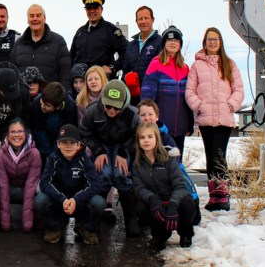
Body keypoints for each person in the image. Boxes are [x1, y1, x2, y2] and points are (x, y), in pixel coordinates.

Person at [186, 27, 244, 212]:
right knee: (210, 157)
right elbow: (190, 91)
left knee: (220, 156)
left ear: (220, 42)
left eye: (216, 39)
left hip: (224, 119)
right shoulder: (197, 66)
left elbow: (239, 90)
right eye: (210, 39)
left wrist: (230, 105)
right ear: (205, 42)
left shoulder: (229, 64)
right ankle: (214, 196)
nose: (212, 42)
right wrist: (199, 106)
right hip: (205, 119)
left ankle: (223, 195)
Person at [80, 79, 141, 236]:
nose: (111, 110)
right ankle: (95, 220)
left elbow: (136, 135)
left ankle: (131, 219)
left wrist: (123, 151)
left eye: (116, 107)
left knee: (121, 174)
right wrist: (98, 151)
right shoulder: (93, 111)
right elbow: (85, 132)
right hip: (101, 145)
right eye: (108, 106)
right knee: (104, 173)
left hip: (123, 145)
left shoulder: (132, 114)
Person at [35, 124, 105, 244]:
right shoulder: (53, 159)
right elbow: (44, 183)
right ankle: (55, 228)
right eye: (64, 142)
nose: (68, 146)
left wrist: (76, 199)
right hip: (60, 203)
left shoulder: (85, 159)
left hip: (80, 203)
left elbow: (95, 184)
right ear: (58, 144)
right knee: (40, 200)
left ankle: (86, 228)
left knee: (99, 202)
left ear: (78, 145)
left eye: (72, 142)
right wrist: (62, 199)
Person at [132, 122, 196, 251]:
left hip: (173, 201)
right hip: (157, 202)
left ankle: (185, 232)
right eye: (142, 137)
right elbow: (139, 188)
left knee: (188, 203)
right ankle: (160, 235)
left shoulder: (168, 158)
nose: (146, 140)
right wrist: (152, 199)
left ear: (157, 138)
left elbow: (180, 185)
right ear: (138, 141)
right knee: (140, 207)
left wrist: (173, 204)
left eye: (150, 137)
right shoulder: (137, 163)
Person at [137, 99, 201, 226]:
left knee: (185, 191)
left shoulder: (166, 137)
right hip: (148, 179)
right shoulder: (137, 137)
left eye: (150, 114)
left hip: (167, 176)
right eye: (143, 115)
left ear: (157, 117)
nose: (147, 118)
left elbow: (175, 164)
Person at [0, 119, 42, 232]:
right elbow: (3, 183)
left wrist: (27, 223)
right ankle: (0, 216)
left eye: (20, 131)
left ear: (26, 133)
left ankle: (36, 216)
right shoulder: (1, 153)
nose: (16, 135)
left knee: (42, 187)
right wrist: (6, 223)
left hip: (28, 191)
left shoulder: (34, 153)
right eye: (13, 132)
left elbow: (31, 184)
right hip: (9, 190)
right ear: (7, 135)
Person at [141, 26, 194, 154]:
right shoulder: (156, 65)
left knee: (176, 162)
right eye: (169, 40)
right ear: (164, 43)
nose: (173, 43)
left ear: (180, 44)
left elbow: (188, 97)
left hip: (180, 126)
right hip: (161, 126)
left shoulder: (185, 68)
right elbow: (147, 97)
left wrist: (189, 123)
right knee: (160, 161)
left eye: (176, 40)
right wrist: (151, 121)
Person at [10, 4, 72, 90]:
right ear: (28, 20)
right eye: (32, 16)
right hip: (24, 99)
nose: (35, 19)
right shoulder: (19, 44)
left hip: (50, 99)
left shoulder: (58, 41)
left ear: (44, 18)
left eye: (38, 16)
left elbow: (65, 72)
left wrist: (62, 95)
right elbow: (13, 72)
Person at [70, 0, 128, 79]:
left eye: (95, 8)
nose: (92, 11)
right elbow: (71, 57)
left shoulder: (111, 30)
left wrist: (113, 68)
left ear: (101, 9)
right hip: (81, 84)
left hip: (102, 82)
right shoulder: (80, 32)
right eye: (89, 8)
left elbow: (127, 51)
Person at [28, 81, 77, 160]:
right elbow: (38, 130)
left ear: (58, 107)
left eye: (47, 105)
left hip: (59, 137)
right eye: (42, 102)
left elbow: (64, 132)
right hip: (42, 138)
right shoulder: (37, 103)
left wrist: (55, 153)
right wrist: (47, 153)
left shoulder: (69, 106)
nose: (42, 106)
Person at [124, 5, 162, 105]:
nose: (143, 21)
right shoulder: (131, 45)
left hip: (153, 98)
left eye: (146, 18)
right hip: (132, 97)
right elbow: (125, 69)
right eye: (140, 19)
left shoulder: (160, 42)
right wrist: (127, 77)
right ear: (136, 22)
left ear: (152, 20)